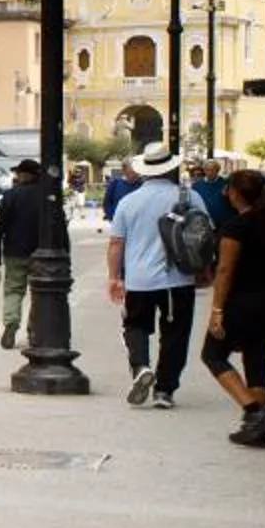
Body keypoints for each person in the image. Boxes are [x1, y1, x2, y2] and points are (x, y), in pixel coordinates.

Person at [202, 167, 265, 447]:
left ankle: (255, 412)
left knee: (213, 354)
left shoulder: (236, 227)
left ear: (235, 194)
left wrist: (217, 311)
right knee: (257, 359)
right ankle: (257, 432)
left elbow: (225, 270)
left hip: (245, 301)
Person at [110, 140, 200, 410]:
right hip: (178, 279)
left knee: (135, 325)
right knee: (175, 333)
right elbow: (205, 235)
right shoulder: (189, 198)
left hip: (139, 279)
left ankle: (140, 367)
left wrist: (114, 277)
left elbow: (116, 243)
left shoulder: (129, 202)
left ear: (145, 170)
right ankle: (165, 390)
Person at [0, 157, 58, 351]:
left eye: (18, 172)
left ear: (25, 175)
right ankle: (33, 330)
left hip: (14, 251)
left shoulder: (11, 195)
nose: (16, 175)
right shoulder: (46, 196)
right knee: (38, 293)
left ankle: (11, 324)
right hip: (41, 253)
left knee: (13, 290)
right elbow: (58, 225)